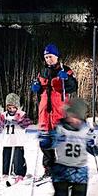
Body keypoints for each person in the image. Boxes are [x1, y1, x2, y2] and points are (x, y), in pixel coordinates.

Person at [39, 98, 98, 196]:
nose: (74, 120)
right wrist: (45, 142)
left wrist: (97, 144)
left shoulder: (86, 130)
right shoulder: (59, 129)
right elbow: (47, 145)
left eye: (77, 117)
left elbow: (97, 150)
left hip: (79, 174)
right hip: (61, 172)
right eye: (71, 116)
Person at [31, 43, 78, 178]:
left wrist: (67, 79)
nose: (48, 59)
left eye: (50, 56)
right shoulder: (42, 72)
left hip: (60, 111)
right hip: (45, 113)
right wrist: (36, 87)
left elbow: (73, 87)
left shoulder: (65, 70)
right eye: (46, 57)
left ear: (56, 57)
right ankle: (49, 168)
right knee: (45, 142)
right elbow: (39, 89)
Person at [0, 93, 32, 183]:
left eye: (14, 108)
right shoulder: (4, 115)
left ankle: (20, 173)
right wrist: (1, 120)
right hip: (7, 140)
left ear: (17, 107)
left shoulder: (21, 114)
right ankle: (6, 172)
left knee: (18, 157)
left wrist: (19, 120)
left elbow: (27, 123)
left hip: (18, 140)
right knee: (6, 157)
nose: (11, 110)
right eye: (9, 108)